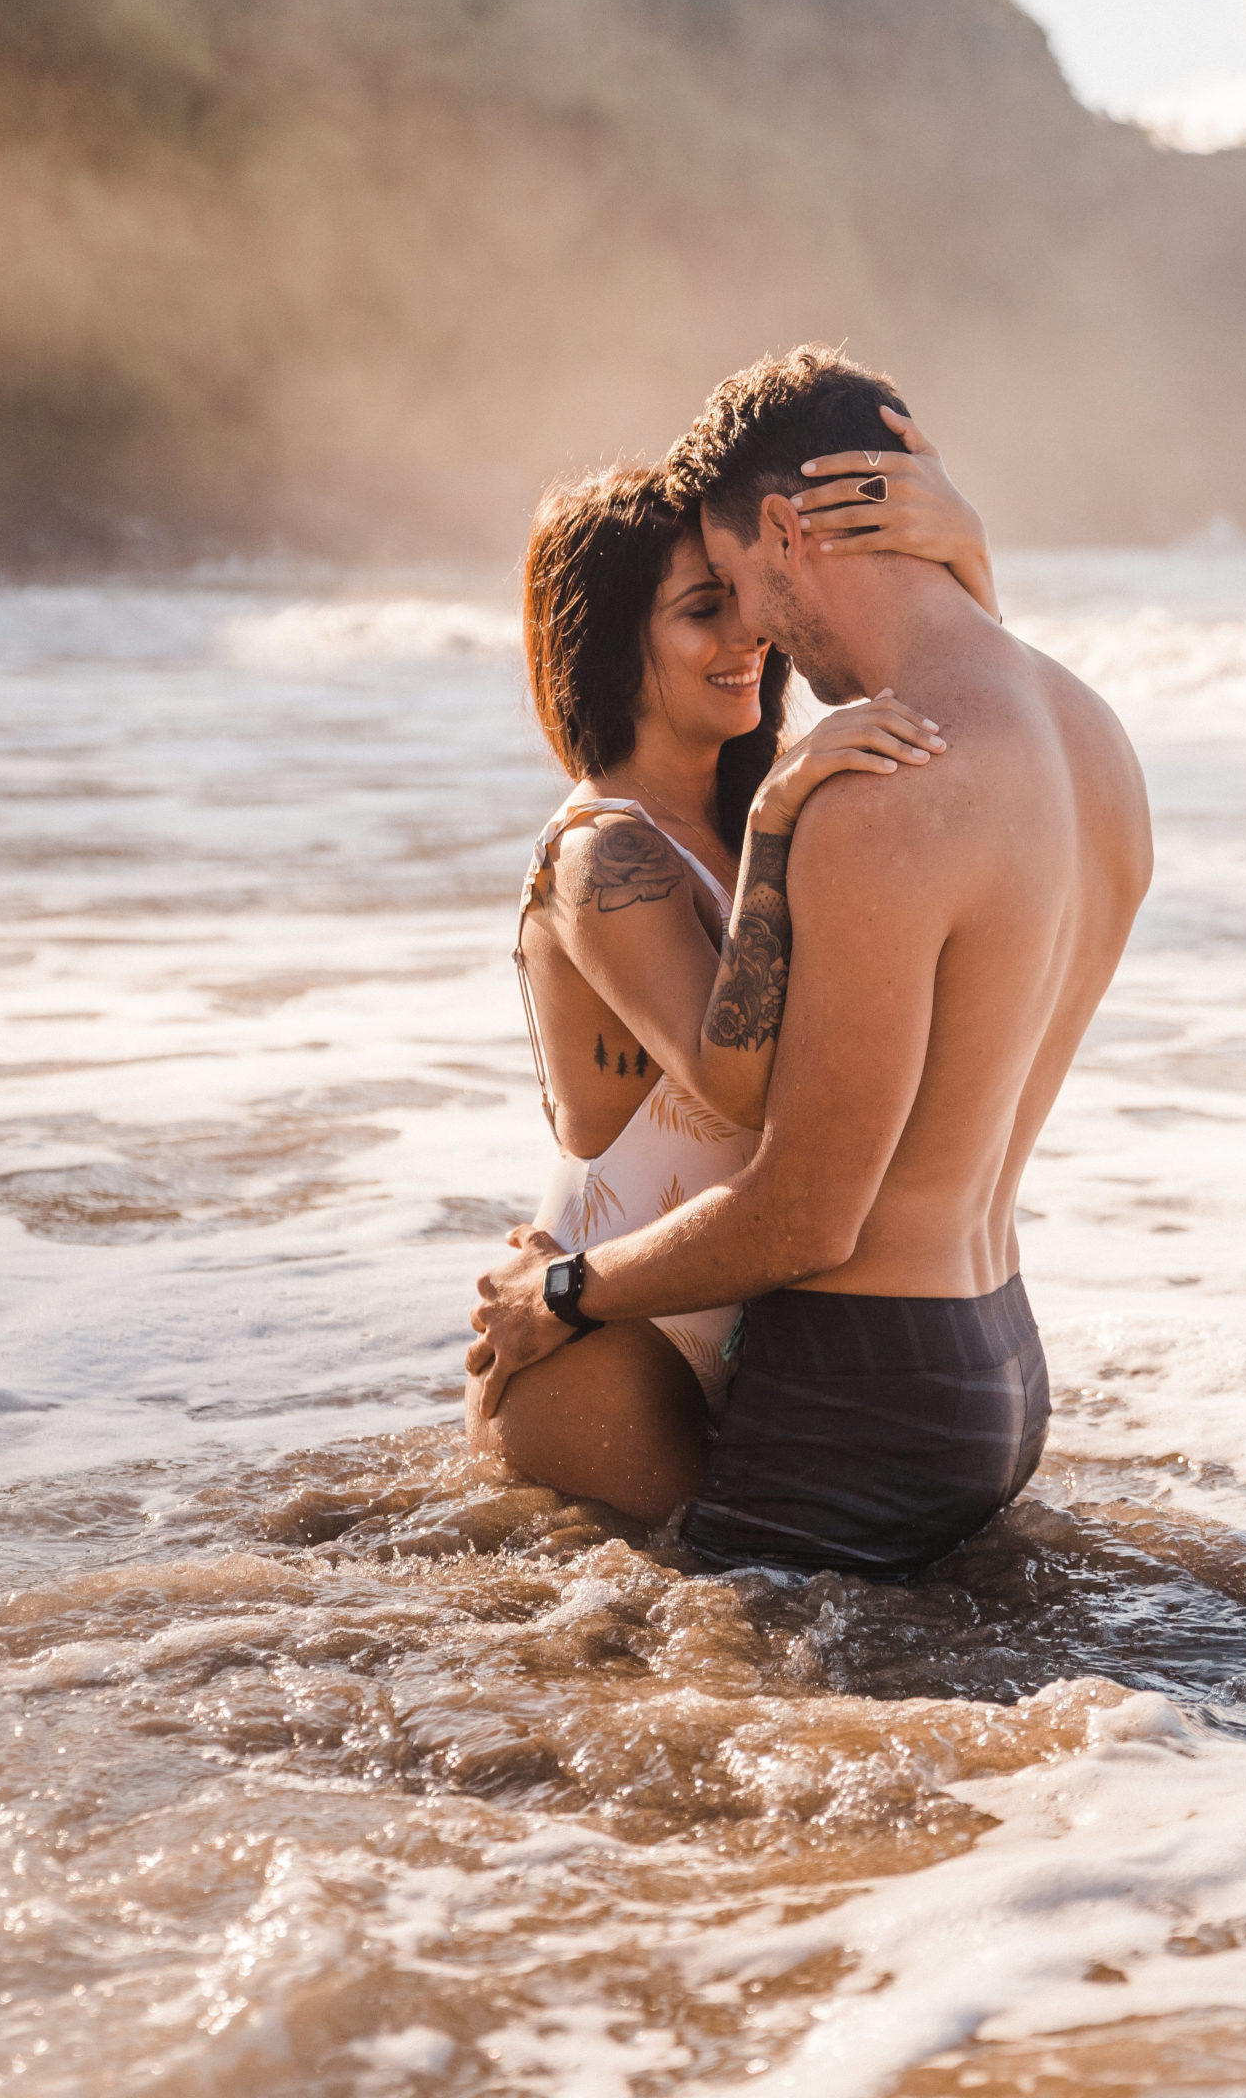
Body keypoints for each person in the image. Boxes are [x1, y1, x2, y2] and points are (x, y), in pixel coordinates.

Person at [468, 345, 1153, 1580]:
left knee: (695, 1737)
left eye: (737, 581)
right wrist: (962, 568)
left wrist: (565, 1291)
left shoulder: (868, 805)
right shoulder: (1088, 741)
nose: (753, 630)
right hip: (993, 1361)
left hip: (860, 1381)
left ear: (785, 531)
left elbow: (804, 1209)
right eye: (703, 605)